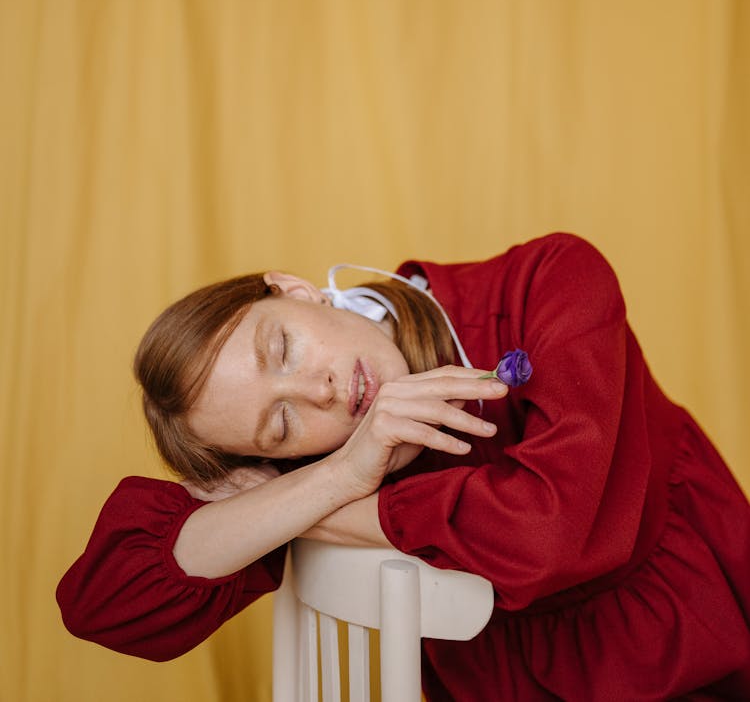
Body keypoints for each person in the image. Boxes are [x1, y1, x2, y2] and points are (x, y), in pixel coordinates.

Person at [57, 232, 750, 700]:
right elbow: (105, 606)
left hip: (693, 658)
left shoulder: (549, 281)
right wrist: (339, 477)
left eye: (284, 350)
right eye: (281, 424)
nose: (317, 391)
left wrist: (327, 511)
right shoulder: (329, 466)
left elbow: (554, 533)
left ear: (294, 292)